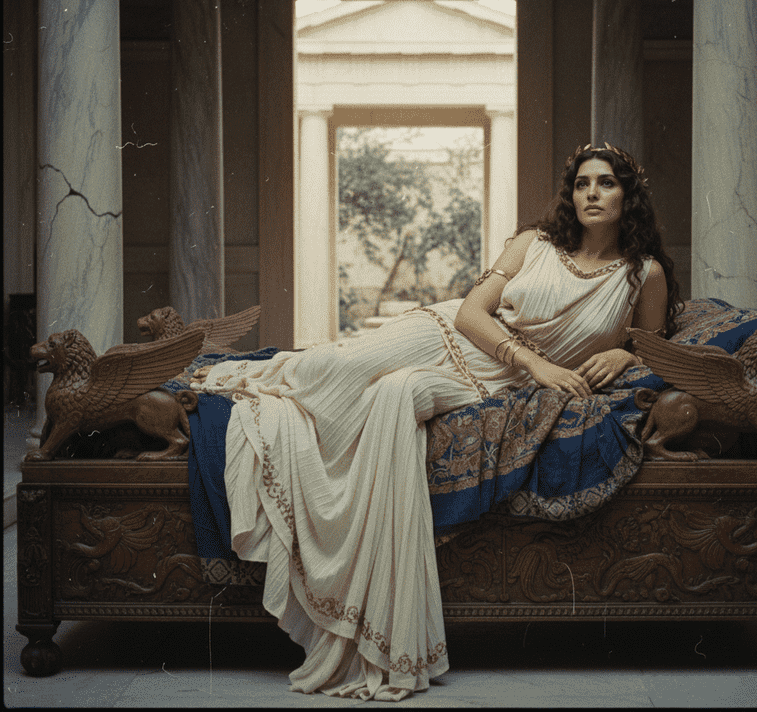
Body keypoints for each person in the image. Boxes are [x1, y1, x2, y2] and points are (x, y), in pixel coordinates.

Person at [190, 142, 682, 701]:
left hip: (501, 386)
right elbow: (474, 311)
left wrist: (627, 356)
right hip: (457, 337)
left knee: (394, 395)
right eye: (582, 184)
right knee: (335, 365)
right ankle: (223, 383)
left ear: (629, 194)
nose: (592, 193)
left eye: (607, 183)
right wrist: (535, 363)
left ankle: (388, 634)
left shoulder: (644, 274)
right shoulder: (535, 244)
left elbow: (656, 349)